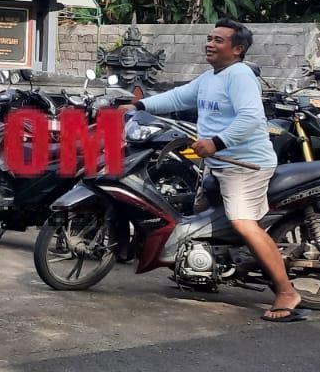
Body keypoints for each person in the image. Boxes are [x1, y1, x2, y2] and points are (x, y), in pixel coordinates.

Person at [125, 19, 301, 322]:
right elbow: (178, 96)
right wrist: (139, 107)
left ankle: (286, 291)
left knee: (243, 223)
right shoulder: (211, 77)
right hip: (218, 164)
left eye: (218, 40)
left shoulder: (240, 76)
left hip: (244, 166)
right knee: (201, 221)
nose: (209, 43)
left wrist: (217, 142)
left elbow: (251, 118)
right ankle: (207, 271)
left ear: (237, 49)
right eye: (209, 38)